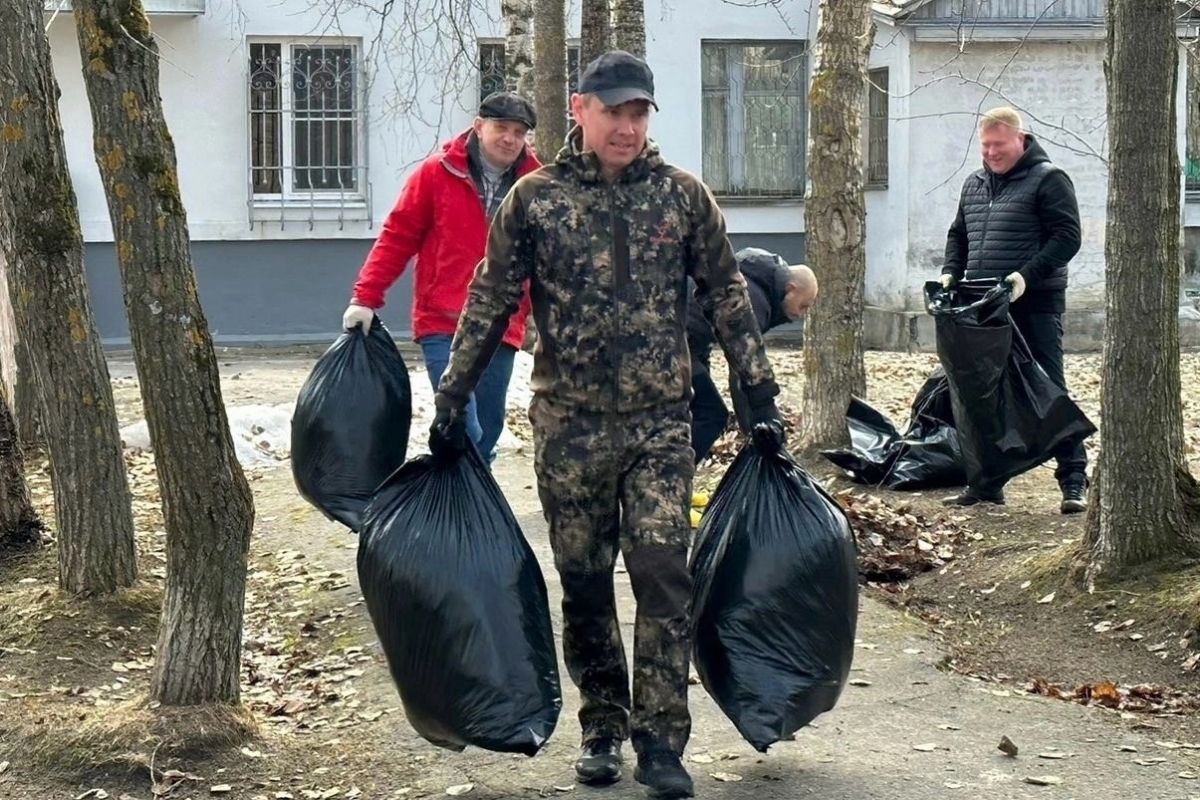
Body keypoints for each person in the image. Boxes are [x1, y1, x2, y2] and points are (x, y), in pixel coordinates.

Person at [429, 51, 783, 800]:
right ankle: (602, 723)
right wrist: (454, 397)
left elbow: (727, 297)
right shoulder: (534, 199)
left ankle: (661, 740)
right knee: (584, 582)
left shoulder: (683, 198)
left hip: (660, 423)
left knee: (662, 574)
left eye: (639, 112)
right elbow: (490, 301)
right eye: (614, 111)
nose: (627, 126)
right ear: (580, 110)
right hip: (570, 426)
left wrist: (760, 397)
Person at [340, 92, 541, 463]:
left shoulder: (536, 184)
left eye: (519, 132)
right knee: (462, 423)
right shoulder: (437, 173)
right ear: (479, 127)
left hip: (502, 325)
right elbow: (397, 236)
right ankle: (456, 509)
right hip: (443, 322)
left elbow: (552, 257)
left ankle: (466, 511)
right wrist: (365, 297)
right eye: (501, 128)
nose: (510, 139)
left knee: (489, 432)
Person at [939, 106, 1086, 513]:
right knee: (984, 395)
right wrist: (952, 273)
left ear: (1020, 140)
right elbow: (958, 235)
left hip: (1035, 304)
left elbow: (1067, 237)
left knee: (1049, 388)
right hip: (984, 306)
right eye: (985, 146)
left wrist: (1024, 278)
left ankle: (1073, 480)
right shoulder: (974, 184)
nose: (991, 153)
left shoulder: (1049, 179)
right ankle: (987, 483)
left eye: (998, 145)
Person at [688, 247, 817, 465]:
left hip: (678, 341)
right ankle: (673, 484)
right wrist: (757, 425)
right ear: (791, 288)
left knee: (691, 413)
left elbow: (702, 333)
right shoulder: (756, 302)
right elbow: (742, 370)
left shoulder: (752, 282)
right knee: (711, 416)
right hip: (669, 346)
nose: (801, 315)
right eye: (803, 305)